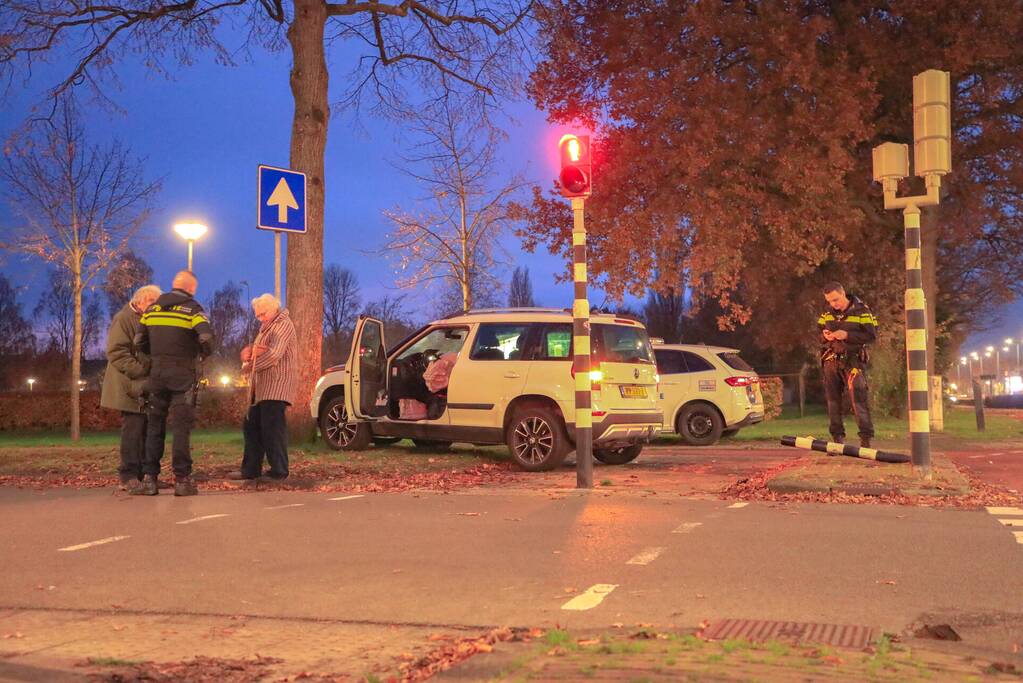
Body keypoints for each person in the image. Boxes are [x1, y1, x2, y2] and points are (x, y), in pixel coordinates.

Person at [132, 270, 214, 496]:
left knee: (154, 428)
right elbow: (206, 338)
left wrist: (155, 357)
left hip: (157, 375)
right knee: (181, 429)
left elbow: (139, 341)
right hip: (182, 375)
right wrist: (199, 354)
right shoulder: (193, 309)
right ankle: (182, 480)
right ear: (192, 288)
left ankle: (149, 479)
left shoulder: (152, 309)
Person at [100, 284, 164, 493]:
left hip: (144, 385)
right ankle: (128, 475)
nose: (156, 308)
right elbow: (117, 352)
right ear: (140, 301)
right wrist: (141, 371)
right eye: (152, 303)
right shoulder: (124, 318)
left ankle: (146, 475)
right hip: (129, 385)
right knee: (133, 431)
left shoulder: (148, 319)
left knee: (148, 430)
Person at [228, 293, 297, 481]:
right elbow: (261, 351)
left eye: (263, 314)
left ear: (274, 308)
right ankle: (250, 469)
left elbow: (274, 355)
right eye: (257, 315)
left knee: (273, 429)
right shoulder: (266, 327)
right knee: (251, 427)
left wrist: (250, 366)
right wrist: (250, 351)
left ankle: (279, 471)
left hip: (276, 386)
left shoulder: (282, 325)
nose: (260, 318)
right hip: (260, 388)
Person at [818, 281, 878, 448]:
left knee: (859, 401)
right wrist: (825, 336)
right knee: (833, 402)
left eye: (836, 299)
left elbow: (871, 336)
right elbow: (818, 334)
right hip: (830, 360)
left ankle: (865, 441)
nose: (833, 304)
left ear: (843, 293)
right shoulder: (827, 313)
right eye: (829, 301)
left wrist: (846, 335)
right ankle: (837, 440)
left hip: (853, 361)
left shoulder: (862, 311)